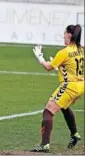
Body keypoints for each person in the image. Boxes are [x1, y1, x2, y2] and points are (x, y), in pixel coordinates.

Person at [31, 24, 84, 152]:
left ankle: (44, 144)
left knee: (48, 111)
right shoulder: (81, 49)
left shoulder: (64, 52)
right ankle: (74, 134)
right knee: (64, 107)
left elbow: (48, 67)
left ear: (69, 35)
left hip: (69, 86)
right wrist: (59, 65)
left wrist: (40, 57)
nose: (63, 36)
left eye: (64, 33)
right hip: (81, 85)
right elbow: (70, 65)